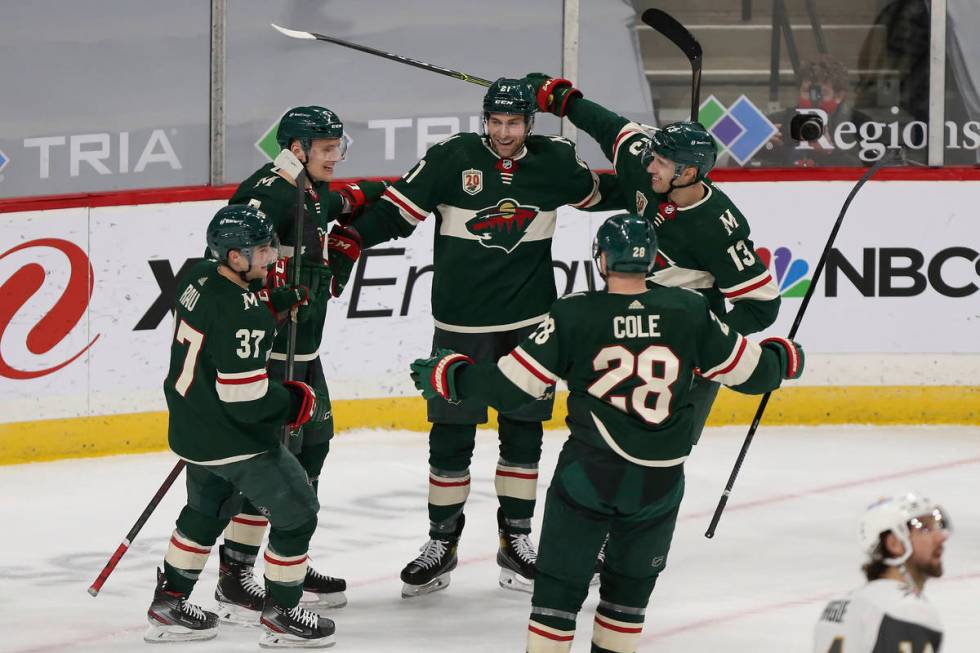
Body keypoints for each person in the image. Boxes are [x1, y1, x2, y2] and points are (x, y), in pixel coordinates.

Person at [409, 213, 805, 653]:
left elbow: (507, 388)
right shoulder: (689, 310)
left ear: (601, 259)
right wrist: (782, 357)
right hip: (660, 483)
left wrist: (453, 375)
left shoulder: (575, 314)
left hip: (589, 476)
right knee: (625, 606)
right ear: (653, 261)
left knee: (556, 603)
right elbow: (755, 375)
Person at [326, 78, 619, 597]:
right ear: (484, 119)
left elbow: (604, 195)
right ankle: (442, 542)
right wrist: (354, 239)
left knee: (523, 434)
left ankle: (517, 540)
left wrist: (660, 189)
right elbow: (396, 212)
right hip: (460, 326)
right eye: (495, 122)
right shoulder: (450, 158)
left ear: (532, 122)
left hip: (531, 328)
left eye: (514, 123)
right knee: (450, 437)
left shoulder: (555, 163)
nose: (504, 133)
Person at [525, 73, 781, 448]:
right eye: (652, 158)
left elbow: (762, 304)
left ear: (688, 173)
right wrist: (562, 99)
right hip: (630, 320)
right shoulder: (646, 164)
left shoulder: (717, 226)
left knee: (665, 451)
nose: (649, 167)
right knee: (602, 439)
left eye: (660, 163)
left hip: (681, 338)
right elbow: (610, 128)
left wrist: (706, 342)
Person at [214, 106, 388, 623]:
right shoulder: (264, 193)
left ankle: (285, 560)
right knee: (271, 465)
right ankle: (234, 575)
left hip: (305, 350)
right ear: (297, 149)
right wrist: (271, 302)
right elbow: (234, 264)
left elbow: (329, 204)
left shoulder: (303, 186)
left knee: (312, 450)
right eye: (328, 150)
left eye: (339, 148)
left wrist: (374, 193)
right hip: (274, 354)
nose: (337, 158)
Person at [145, 205, 335, 647]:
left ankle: (169, 602)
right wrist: (292, 401)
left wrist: (272, 304)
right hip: (234, 437)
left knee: (205, 513)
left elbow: (222, 324)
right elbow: (245, 398)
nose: (271, 257)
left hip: (192, 427)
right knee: (297, 512)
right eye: (262, 250)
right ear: (234, 257)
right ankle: (283, 615)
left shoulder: (197, 279)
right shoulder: (241, 313)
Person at [813, 493, 951, 653]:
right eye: (925, 529)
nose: (941, 537)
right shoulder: (909, 611)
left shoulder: (836, 607)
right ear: (894, 544)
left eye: (937, 527)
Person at [756, 55, 875, 167]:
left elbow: (869, 170)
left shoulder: (859, 126)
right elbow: (753, 166)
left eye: (822, 93)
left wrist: (829, 153)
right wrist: (763, 145)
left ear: (839, 96)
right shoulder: (778, 123)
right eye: (808, 91)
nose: (814, 100)